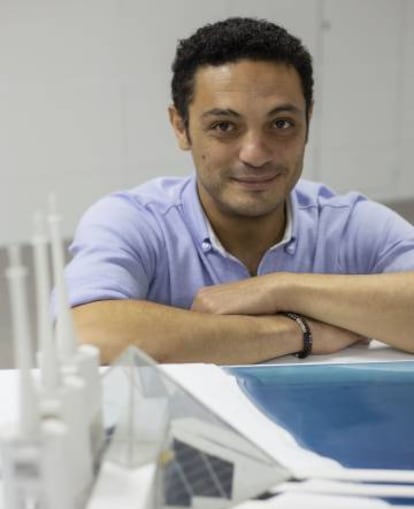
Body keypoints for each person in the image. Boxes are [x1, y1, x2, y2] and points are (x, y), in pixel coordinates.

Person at [65, 17, 414, 365]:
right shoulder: (134, 221)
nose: (256, 154)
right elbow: (86, 332)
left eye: (281, 124)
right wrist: (296, 332)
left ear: (308, 121)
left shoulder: (347, 223)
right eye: (224, 126)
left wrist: (278, 288)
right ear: (181, 127)